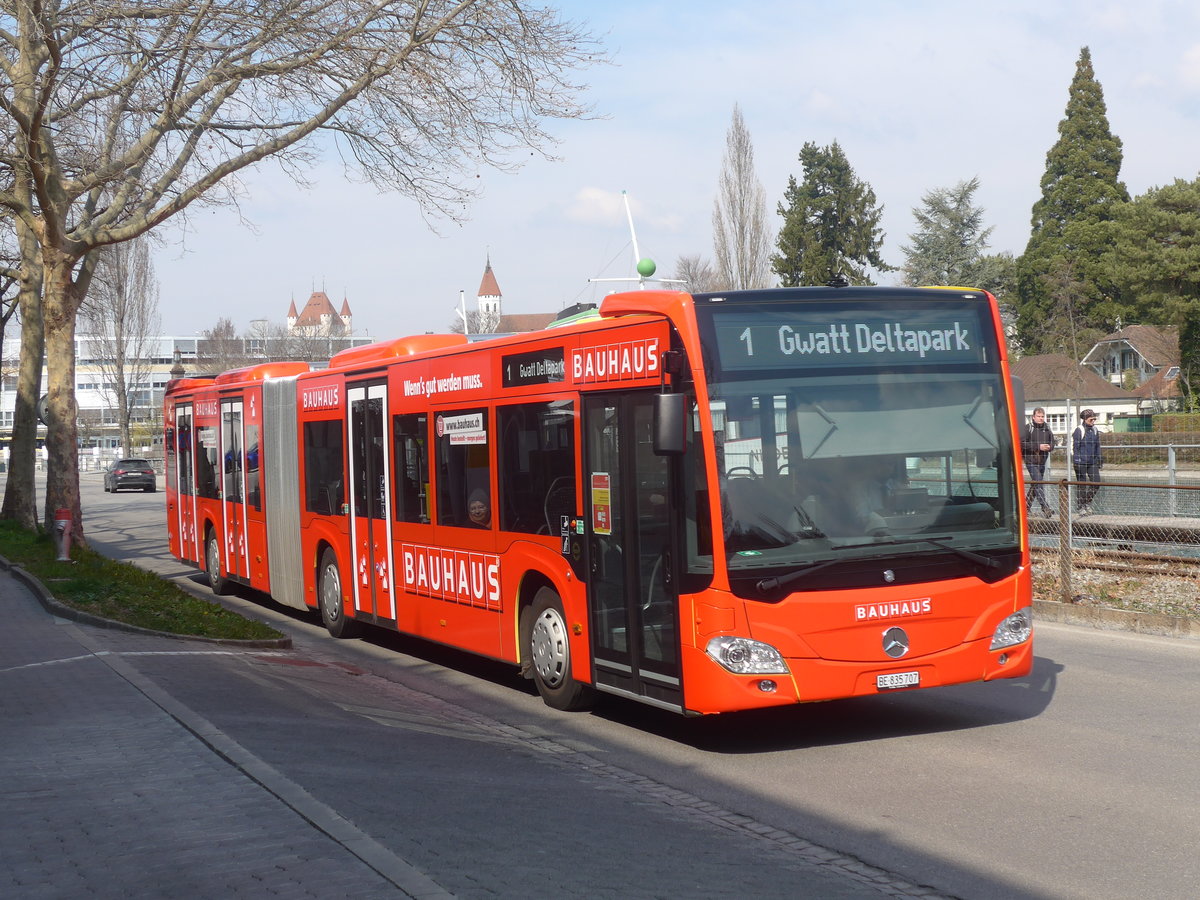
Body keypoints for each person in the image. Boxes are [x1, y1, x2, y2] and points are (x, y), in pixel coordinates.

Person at [1021, 407, 1057, 516]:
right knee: (1039, 482)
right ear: (1033, 417)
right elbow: (1021, 443)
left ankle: (1025, 507)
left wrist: (1049, 447)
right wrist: (1038, 446)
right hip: (1031, 460)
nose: (1041, 418)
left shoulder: (1047, 428)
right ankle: (1045, 507)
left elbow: (1052, 442)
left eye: (1042, 416)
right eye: (1039, 416)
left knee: (1036, 484)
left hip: (1042, 460)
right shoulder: (1028, 428)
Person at [1071, 409, 1103, 516]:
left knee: (1096, 482)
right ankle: (1080, 507)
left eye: (1094, 419)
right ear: (1085, 419)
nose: (1093, 421)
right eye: (1091, 419)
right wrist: (1077, 461)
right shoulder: (1079, 430)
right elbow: (1075, 447)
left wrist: (1099, 458)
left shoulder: (1094, 430)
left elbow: (1097, 445)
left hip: (1092, 462)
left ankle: (1086, 502)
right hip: (1080, 462)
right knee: (1082, 485)